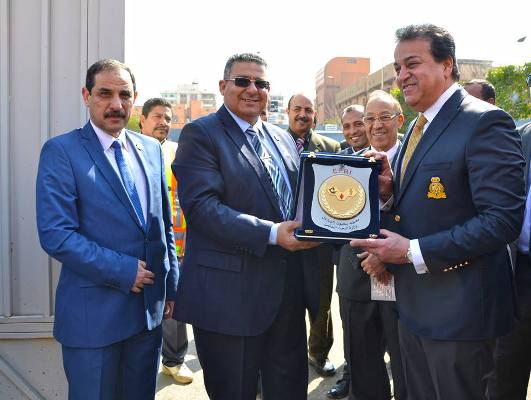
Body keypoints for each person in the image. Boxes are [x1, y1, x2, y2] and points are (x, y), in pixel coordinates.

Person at [350, 24, 525, 400]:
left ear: (447, 65)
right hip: (414, 308)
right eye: (398, 67)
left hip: (461, 316)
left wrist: (412, 252)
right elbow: (422, 207)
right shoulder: (419, 126)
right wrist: (388, 192)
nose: (402, 75)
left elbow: (502, 220)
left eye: (412, 63)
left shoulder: (485, 122)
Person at [171, 53, 320, 400]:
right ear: (223, 86)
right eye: (243, 81)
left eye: (261, 83)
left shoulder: (282, 138)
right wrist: (271, 233)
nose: (253, 89)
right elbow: (202, 209)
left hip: (286, 298)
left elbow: (303, 199)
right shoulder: (201, 134)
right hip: (229, 302)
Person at [36, 59, 179, 399]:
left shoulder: (151, 150)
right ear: (87, 96)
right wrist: (123, 270)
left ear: (135, 99)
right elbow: (57, 234)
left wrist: (171, 286)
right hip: (93, 320)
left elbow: (163, 224)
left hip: (148, 317)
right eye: (105, 94)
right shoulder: (62, 151)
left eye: (124, 95)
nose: (116, 104)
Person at [336, 90, 407, 400]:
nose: (377, 125)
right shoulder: (343, 166)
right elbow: (332, 221)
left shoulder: (417, 159)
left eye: (384, 117)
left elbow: (426, 217)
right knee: (363, 367)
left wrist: (386, 258)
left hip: (403, 280)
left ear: (399, 120)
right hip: (357, 277)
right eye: (370, 118)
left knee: (405, 366)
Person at [286, 93, 341, 377]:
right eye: (297, 109)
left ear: (315, 115)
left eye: (308, 110)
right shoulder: (273, 143)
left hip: (319, 241)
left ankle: (319, 354)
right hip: (282, 239)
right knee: (285, 303)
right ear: (287, 112)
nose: (303, 114)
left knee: (321, 302)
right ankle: (285, 356)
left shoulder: (331, 146)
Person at [139, 97, 193, 384]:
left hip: (177, 245)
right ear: (142, 120)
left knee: (175, 305)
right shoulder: (130, 150)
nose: (163, 123)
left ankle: (173, 360)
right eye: (157, 116)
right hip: (140, 246)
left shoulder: (178, 153)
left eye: (168, 118)